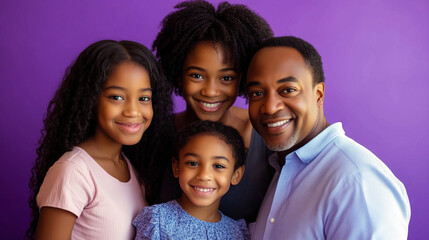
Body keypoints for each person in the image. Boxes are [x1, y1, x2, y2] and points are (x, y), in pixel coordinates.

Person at [246, 36, 411, 239]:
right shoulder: (281, 167)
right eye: (256, 93)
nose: (270, 107)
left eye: (288, 90)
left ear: (319, 94)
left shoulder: (357, 182)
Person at [27, 40, 174, 239]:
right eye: (117, 97)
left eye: (144, 98)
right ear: (90, 99)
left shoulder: (131, 169)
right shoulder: (73, 171)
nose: (133, 111)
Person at [152, 0, 274, 223]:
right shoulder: (157, 131)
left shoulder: (263, 131)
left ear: (243, 79)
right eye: (197, 75)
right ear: (179, 74)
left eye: (226, 78)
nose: (210, 91)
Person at [133, 120, 249, 240]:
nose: (204, 175)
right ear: (176, 167)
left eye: (218, 166)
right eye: (192, 163)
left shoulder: (236, 232)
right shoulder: (157, 220)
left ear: (236, 175)